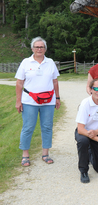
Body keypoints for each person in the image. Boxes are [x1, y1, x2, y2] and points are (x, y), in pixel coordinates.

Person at [15, 37, 60, 167]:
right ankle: (25, 155)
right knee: (28, 127)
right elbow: (19, 83)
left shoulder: (50, 62)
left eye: (41, 47)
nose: (39, 49)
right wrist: (19, 101)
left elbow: (55, 81)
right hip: (29, 101)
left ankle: (45, 153)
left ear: (45, 49)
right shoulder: (25, 62)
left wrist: (57, 98)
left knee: (47, 127)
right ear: (32, 48)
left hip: (48, 101)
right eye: (37, 47)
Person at [75, 78, 98, 183]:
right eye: (96, 88)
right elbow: (80, 129)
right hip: (84, 132)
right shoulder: (85, 103)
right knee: (83, 141)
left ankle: (90, 152)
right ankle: (83, 170)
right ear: (91, 89)